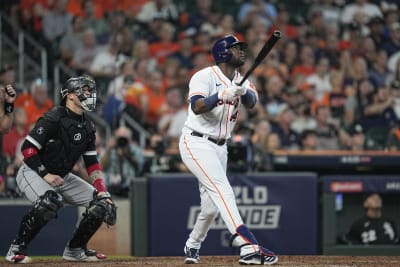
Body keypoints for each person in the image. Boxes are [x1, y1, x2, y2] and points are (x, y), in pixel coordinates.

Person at [178, 35, 278, 265]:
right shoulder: (203, 76)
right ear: (223, 52)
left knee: (211, 209)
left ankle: (192, 244)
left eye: (242, 48)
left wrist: (242, 91)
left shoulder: (241, 79)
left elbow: (253, 102)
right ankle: (248, 245)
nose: (242, 52)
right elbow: (198, 106)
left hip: (221, 147)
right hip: (196, 142)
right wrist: (222, 95)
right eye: (236, 48)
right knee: (223, 189)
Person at [5, 76, 116, 263]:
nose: (89, 94)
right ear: (70, 95)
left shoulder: (88, 126)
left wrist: (103, 190)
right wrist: (45, 174)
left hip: (61, 176)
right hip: (33, 171)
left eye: (90, 91)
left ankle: (75, 250)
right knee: (50, 201)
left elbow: (92, 164)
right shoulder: (54, 117)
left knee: (102, 204)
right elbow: (28, 149)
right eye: (85, 90)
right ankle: (16, 249)